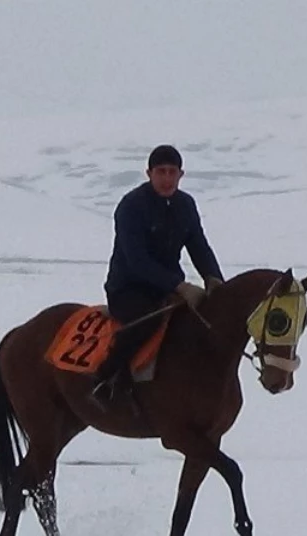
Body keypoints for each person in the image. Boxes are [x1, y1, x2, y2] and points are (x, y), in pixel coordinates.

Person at [90, 144, 225, 407]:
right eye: (160, 172)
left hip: (167, 289)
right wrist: (180, 285)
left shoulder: (186, 205)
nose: (166, 178)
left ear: (181, 174)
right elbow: (136, 260)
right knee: (146, 320)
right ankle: (105, 379)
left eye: (172, 172)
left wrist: (214, 280)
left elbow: (199, 246)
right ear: (148, 173)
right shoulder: (131, 206)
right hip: (128, 288)